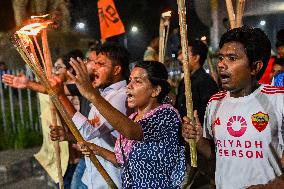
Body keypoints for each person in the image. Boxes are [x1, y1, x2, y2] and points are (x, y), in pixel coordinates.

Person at [182, 26, 284, 189]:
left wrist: (271, 187)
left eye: (232, 58)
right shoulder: (215, 103)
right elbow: (217, 157)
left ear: (255, 67)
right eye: (221, 58)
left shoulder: (278, 100)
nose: (221, 64)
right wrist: (198, 140)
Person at [60, 60, 186, 188]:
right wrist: (97, 150)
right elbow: (121, 160)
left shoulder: (166, 114)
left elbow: (133, 132)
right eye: (130, 80)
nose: (129, 86)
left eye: (137, 81)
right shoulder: (133, 117)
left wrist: (92, 95)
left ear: (156, 90)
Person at [50, 43, 130, 189]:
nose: (94, 67)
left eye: (101, 64)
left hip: (111, 179)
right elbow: (94, 134)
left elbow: (89, 132)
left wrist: (61, 95)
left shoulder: (121, 96)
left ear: (116, 69)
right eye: (95, 63)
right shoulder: (103, 93)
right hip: (92, 177)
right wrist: (68, 135)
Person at [176, 39, 219, 125]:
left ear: (196, 58)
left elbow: (208, 118)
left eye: (183, 53)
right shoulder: (183, 82)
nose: (179, 58)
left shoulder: (207, 83)